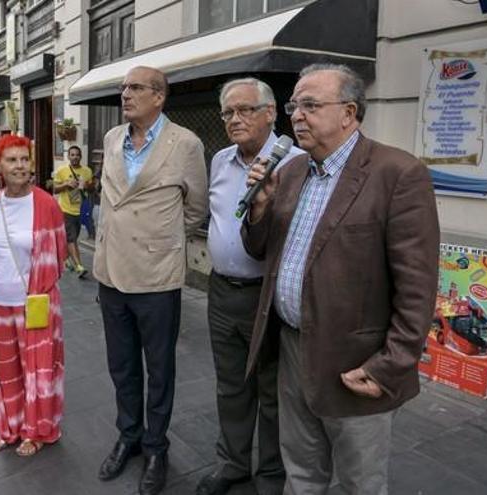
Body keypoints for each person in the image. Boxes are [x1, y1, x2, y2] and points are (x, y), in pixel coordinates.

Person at [242, 64, 440, 494]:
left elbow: (417, 288)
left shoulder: (397, 174)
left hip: (356, 362)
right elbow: (263, 252)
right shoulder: (292, 172)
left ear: (349, 113)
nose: (296, 115)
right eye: (295, 105)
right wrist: (258, 211)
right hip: (292, 348)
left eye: (310, 105)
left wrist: (390, 365)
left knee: (358, 481)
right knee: (301, 469)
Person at [94, 66, 208, 495]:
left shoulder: (186, 143)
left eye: (136, 88)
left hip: (157, 277)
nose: (125, 94)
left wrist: (162, 243)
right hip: (110, 274)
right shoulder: (111, 139)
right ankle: (129, 436)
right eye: (124, 87)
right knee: (122, 366)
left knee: (159, 369)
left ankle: (157, 446)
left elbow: (195, 208)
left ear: (159, 97)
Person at [196, 78, 303, 495]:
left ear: (271, 112)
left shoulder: (296, 162)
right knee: (230, 386)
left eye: (245, 110)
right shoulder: (221, 160)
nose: (234, 120)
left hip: (269, 297)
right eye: (227, 113)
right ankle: (233, 463)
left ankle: (273, 475)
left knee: (273, 390)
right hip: (222, 291)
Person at [0, 134, 68, 457]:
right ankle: (10, 426)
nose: (19, 166)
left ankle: (37, 430)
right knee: (5, 367)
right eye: (12, 160)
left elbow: (57, 257)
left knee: (39, 368)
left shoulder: (46, 204)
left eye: (24, 159)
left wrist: (36, 288)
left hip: (36, 304)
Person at [53, 145, 94, 277]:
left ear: (80, 156)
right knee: (71, 239)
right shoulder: (61, 171)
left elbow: (92, 189)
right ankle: (79, 266)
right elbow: (54, 189)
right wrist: (66, 184)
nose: (75, 157)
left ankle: (65, 258)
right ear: (68, 156)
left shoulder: (87, 171)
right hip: (66, 210)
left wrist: (87, 186)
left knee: (73, 237)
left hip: (81, 210)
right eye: (72, 155)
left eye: (77, 155)